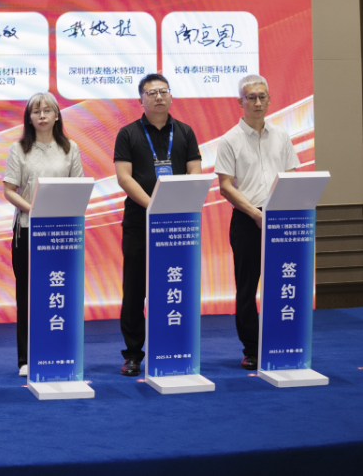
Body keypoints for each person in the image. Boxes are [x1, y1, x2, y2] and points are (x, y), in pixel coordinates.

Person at [113, 73, 202, 377]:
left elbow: (194, 172)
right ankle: (133, 354)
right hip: (140, 224)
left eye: (163, 91)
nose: (159, 97)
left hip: (177, 225)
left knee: (175, 286)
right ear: (141, 100)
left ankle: (173, 347)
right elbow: (124, 177)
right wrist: (154, 206)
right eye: (152, 93)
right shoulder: (128, 133)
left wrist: (174, 207)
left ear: (171, 96)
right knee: (134, 291)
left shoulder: (185, 132)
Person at [215, 74, 298, 371]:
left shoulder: (282, 136)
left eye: (262, 96)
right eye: (251, 97)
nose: (258, 102)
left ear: (269, 99)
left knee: (283, 283)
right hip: (247, 219)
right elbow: (225, 186)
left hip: (280, 218)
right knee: (247, 287)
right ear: (240, 102)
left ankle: (281, 340)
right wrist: (254, 213)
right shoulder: (229, 139)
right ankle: (251, 348)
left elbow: (291, 176)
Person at [2, 92, 83, 377]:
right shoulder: (18, 149)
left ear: (57, 115)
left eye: (47, 110)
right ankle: (26, 358)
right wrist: (34, 209)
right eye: (36, 112)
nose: (42, 116)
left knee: (60, 292)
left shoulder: (70, 148)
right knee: (28, 295)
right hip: (28, 230)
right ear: (29, 118)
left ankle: (61, 351)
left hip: (61, 233)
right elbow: (9, 190)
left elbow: (77, 187)